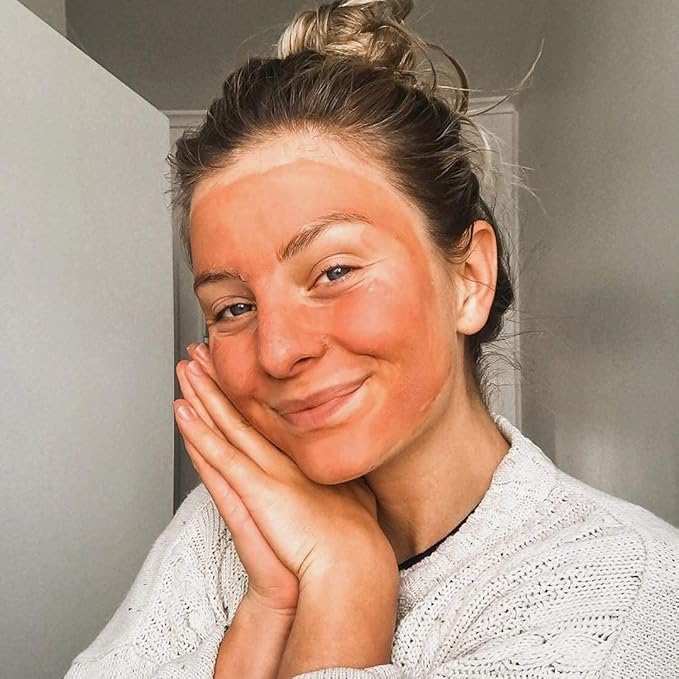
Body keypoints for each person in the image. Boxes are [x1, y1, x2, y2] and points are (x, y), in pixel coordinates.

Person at [65, 1, 679, 677]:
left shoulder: (621, 592)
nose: (278, 352)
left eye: (334, 271)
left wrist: (344, 586)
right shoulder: (224, 520)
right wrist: (275, 602)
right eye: (234, 307)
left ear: (468, 278)